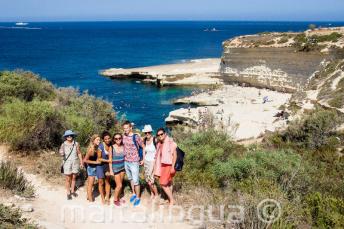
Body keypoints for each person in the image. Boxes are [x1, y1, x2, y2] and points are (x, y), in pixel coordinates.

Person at [122, 121, 145, 206]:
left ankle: (138, 197)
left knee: (136, 181)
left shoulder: (136, 137)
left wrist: (143, 159)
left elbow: (143, 146)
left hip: (134, 161)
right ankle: (134, 194)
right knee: (130, 178)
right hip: (126, 161)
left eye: (127, 128)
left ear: (131, 128)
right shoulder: (123, 136)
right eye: (124, 128)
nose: (125, 130)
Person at [154, 128, 177, 205]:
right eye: (158, 135)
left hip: (168, 165)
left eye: (161, 134)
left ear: (165, 134)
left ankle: (172, 200)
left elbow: (175, 155)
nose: (160, 136)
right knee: (168, 183)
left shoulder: (170, 142)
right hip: (162, 165)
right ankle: (168, 199)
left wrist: (173, 167)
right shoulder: (159, 143)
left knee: (163, 183)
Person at [59, 130, 84, 200]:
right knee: (68, 179)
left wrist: (81, 162)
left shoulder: (76, 144)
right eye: (67, 135)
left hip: (75, 162)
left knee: (73, 177)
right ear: (66, 137)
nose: (69, 136)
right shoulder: (63, 144)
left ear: (72, 136)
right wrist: (61, 153)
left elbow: (79, 153)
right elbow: (61, 152)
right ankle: (68, 192)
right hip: (67, 163)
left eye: (70, 135)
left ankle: (72, 191)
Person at [83, 134, 102, 202]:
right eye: (97, 140)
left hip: (95, 167)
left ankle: (88, 195)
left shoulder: (97, 147)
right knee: (90, 184)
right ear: (93, 140)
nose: (99, 141)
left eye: (99, 140)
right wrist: (96, 163)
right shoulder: (91, 149)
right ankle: (90, 199)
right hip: (91, 168)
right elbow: (85, 160)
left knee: (91, 183)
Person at [142, 125, 158, 200]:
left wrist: (156, 163)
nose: (147, 134)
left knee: (151, 180)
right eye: (146, 133)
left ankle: (156, 194)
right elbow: (144, 151)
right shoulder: (144, 140)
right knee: (147, 179)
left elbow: (158, 151)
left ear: (151, 132)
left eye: (148, 132)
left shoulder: (155, 140)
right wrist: (143, 160)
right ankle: (152, 193)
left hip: (153, 162)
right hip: (146, 162)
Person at [109, 133, 126, 206]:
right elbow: (110, 160)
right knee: (119, 185)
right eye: (116, 138)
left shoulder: (124, 146)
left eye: (119, 138)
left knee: (120, 184)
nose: (118, 140)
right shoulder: (111, 147)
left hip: (122, 168)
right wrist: (111, 170)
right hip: (115, 169)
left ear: (121, 139)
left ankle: (118, 197)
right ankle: (115, 199)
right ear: (114, 139)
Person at [98, 131, 113, 205]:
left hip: (107, 166)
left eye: (108, 138)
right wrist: (108, 160)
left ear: (110, 138)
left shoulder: (111, 145)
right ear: (103, 139)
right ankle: (102, 198)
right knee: (101, 182)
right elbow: (99, 158)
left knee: (107, 181)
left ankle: (107, 197)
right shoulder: (100, 146)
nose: (107, 140)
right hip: (100, 166)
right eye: (105, 139)